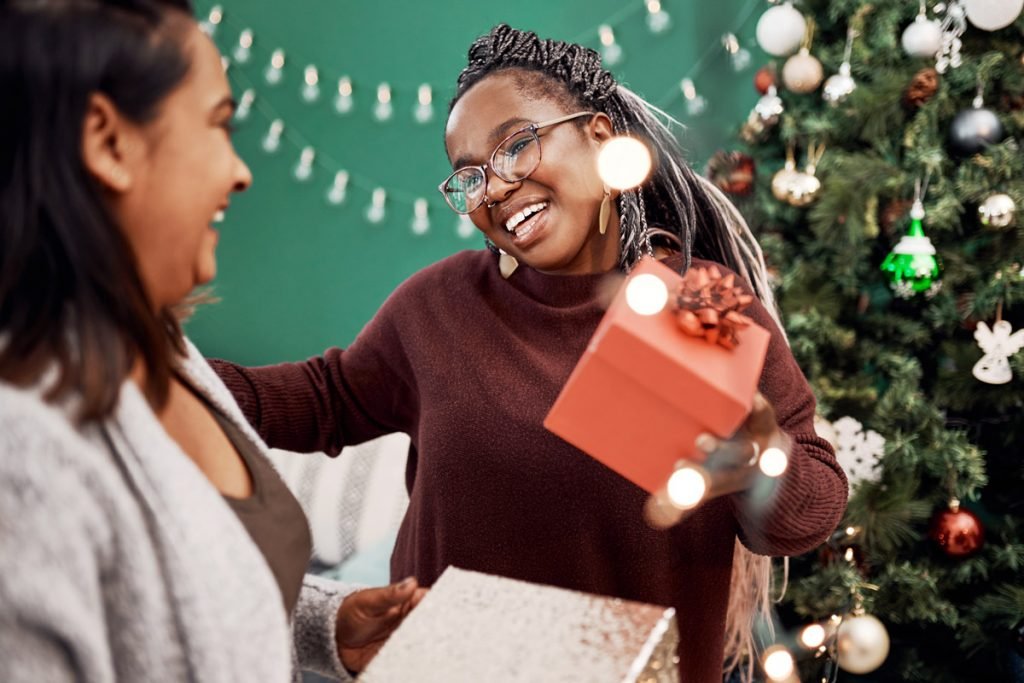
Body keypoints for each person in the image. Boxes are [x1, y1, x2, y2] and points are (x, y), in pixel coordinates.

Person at [210, 24, 848, 682]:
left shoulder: (697, 312)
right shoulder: (440, 306)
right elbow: (317, 400)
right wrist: (147, 362)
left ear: (600, 136)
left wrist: (761, 465)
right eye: (468, 179)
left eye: (516, 145)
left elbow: (806, 519)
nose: (494, 189)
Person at [0, 1, 424, 681]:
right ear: (108, 142)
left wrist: (325, 624)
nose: (240, 171)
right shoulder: (22, 448)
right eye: (220, 125)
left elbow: (174, 598)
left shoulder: (163, 346)